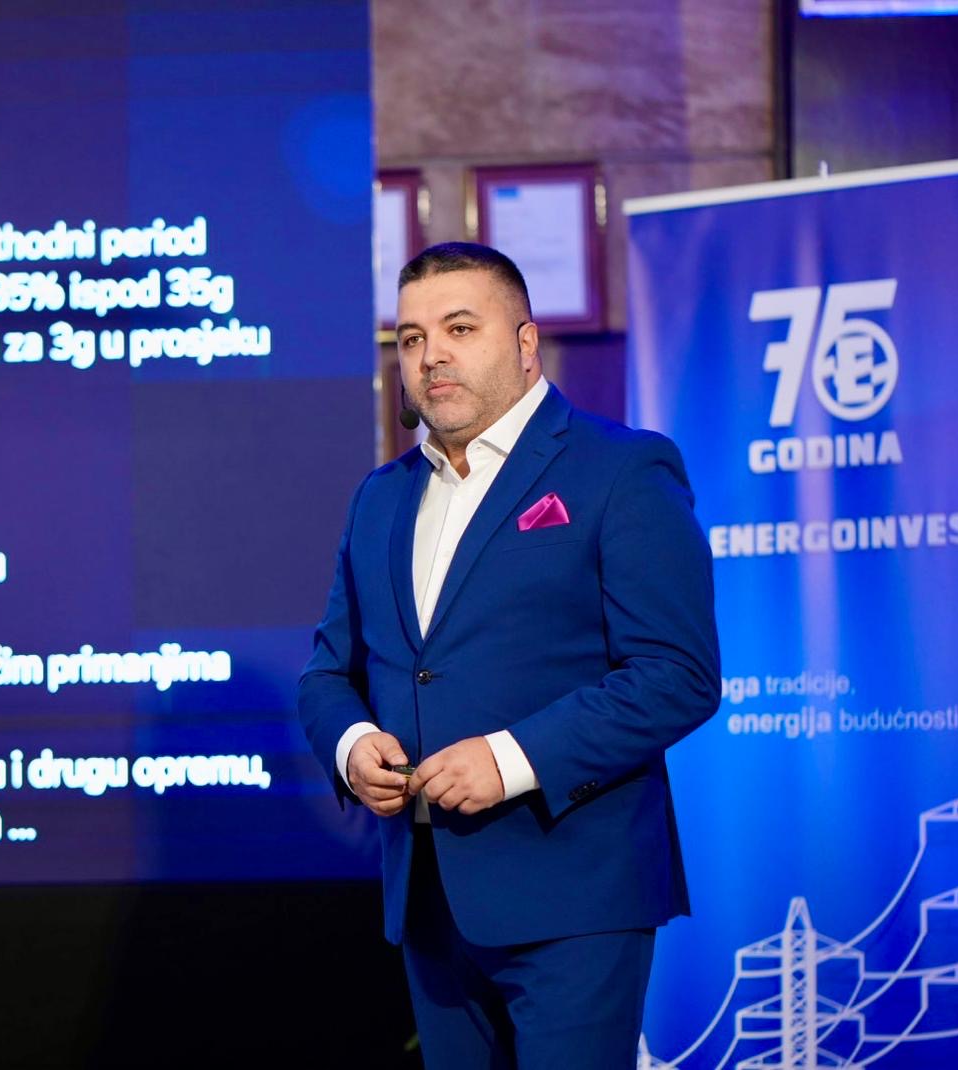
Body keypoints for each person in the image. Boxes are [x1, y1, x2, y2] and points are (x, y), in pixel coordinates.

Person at [297, 242, 720, 1068]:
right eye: (412, 337)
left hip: (575, 897)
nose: (432, 355)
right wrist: (352, 746)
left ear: (527, 343)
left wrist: (510, 758)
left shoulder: (621, 469)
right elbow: (327, 673)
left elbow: (679, 674)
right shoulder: (381, 496)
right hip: (427, 901)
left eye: (460, 328)